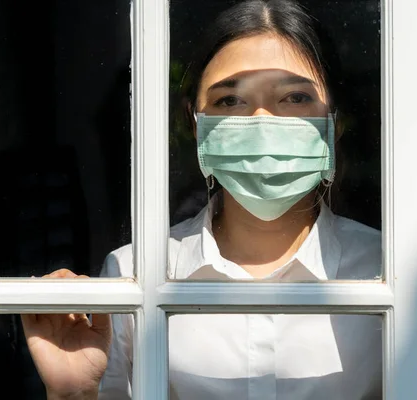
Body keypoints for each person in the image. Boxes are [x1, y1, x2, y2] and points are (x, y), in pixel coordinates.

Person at [21, 0, 383, 399]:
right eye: (230, 100)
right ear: (195, 122)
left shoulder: (386, 268)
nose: (262, 121)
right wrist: (73, 393)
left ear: (337, 120)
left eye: (295, 97)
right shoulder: (134, 272)